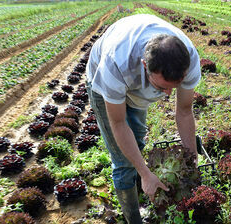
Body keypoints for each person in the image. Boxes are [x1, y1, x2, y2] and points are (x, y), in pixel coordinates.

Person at [86, 14, 201, 224]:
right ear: (144, 65)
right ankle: (133, 218)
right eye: (161, 87)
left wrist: (191, 161)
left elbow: (184, 111)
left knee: (138, 140)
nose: (167, 94)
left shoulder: (189, 60)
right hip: (104, 86)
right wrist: (144, 171)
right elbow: (119, 123)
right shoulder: (116, 65)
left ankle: (144, 188)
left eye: (173, 87)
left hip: (135, 84)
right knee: (123, 161)